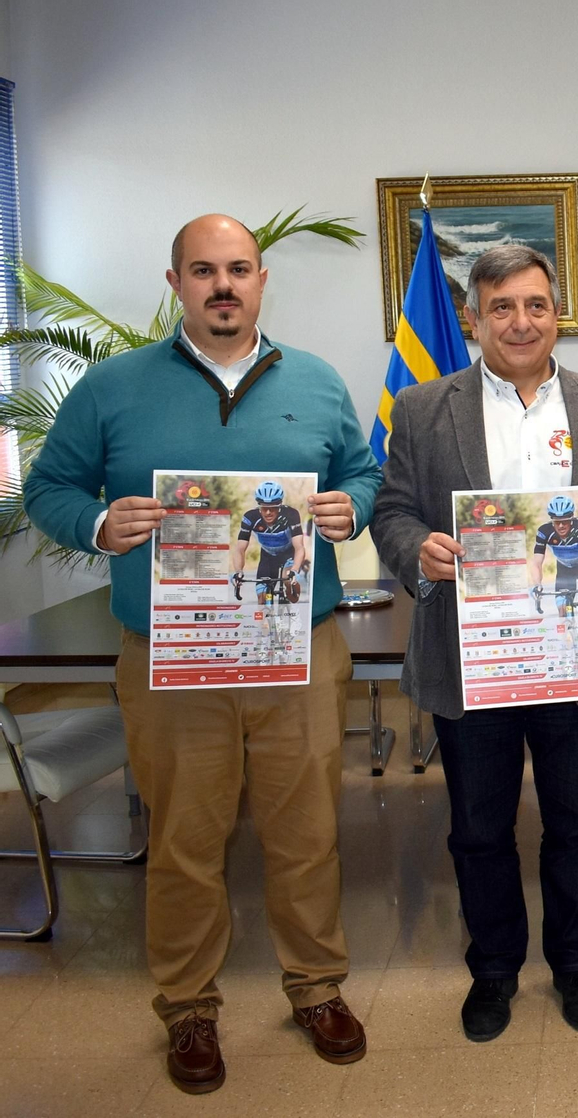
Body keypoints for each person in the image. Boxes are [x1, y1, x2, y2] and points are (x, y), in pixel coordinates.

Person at [22, 213, 382, 1093]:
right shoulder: (113, 388)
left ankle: (316, 986)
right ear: (176, 281)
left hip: (297, 649)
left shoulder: (318, 380)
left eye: (240, 270)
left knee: (307, 834)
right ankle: (187, 1004)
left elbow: (363, 471)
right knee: (186, 838)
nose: (224, 285)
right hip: (175, 659)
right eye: (204, 271)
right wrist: (100, 523)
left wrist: (351, 508)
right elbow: (49, 488)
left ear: (262, 281)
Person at [369, 244, 578, 1041]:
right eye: (502, 307)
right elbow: (390, 511)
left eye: (535, 304)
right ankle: (493, 970)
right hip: (475, 660)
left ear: (555, 313)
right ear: (472, 319)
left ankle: (575, 962)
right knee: (479, 829)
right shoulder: (424, 409)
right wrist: (415, 552)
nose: (521, 321)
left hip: (575, 654)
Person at [230, 480, 306, 603]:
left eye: (273, 508)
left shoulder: (291, 515)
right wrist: (238, 571)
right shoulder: (250, 517)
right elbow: (240, 549)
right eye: (264, 508)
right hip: (268, 556)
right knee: (262, 597)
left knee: (287, 581)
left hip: (288, 555)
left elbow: (299, 547)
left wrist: (295, 570)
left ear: (279, 506)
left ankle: (289, 590)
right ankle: (264, 622)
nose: (268, 512)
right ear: (259, 506)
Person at [530, 493, 578, 617]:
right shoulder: (544, 531)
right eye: (557, 522)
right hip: (564, 569)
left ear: (571, 518)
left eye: (565, 521)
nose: (561, 525)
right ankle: (568, 634)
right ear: (552, 520)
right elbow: (536, 563)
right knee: (562, 611)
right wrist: (537, 585)